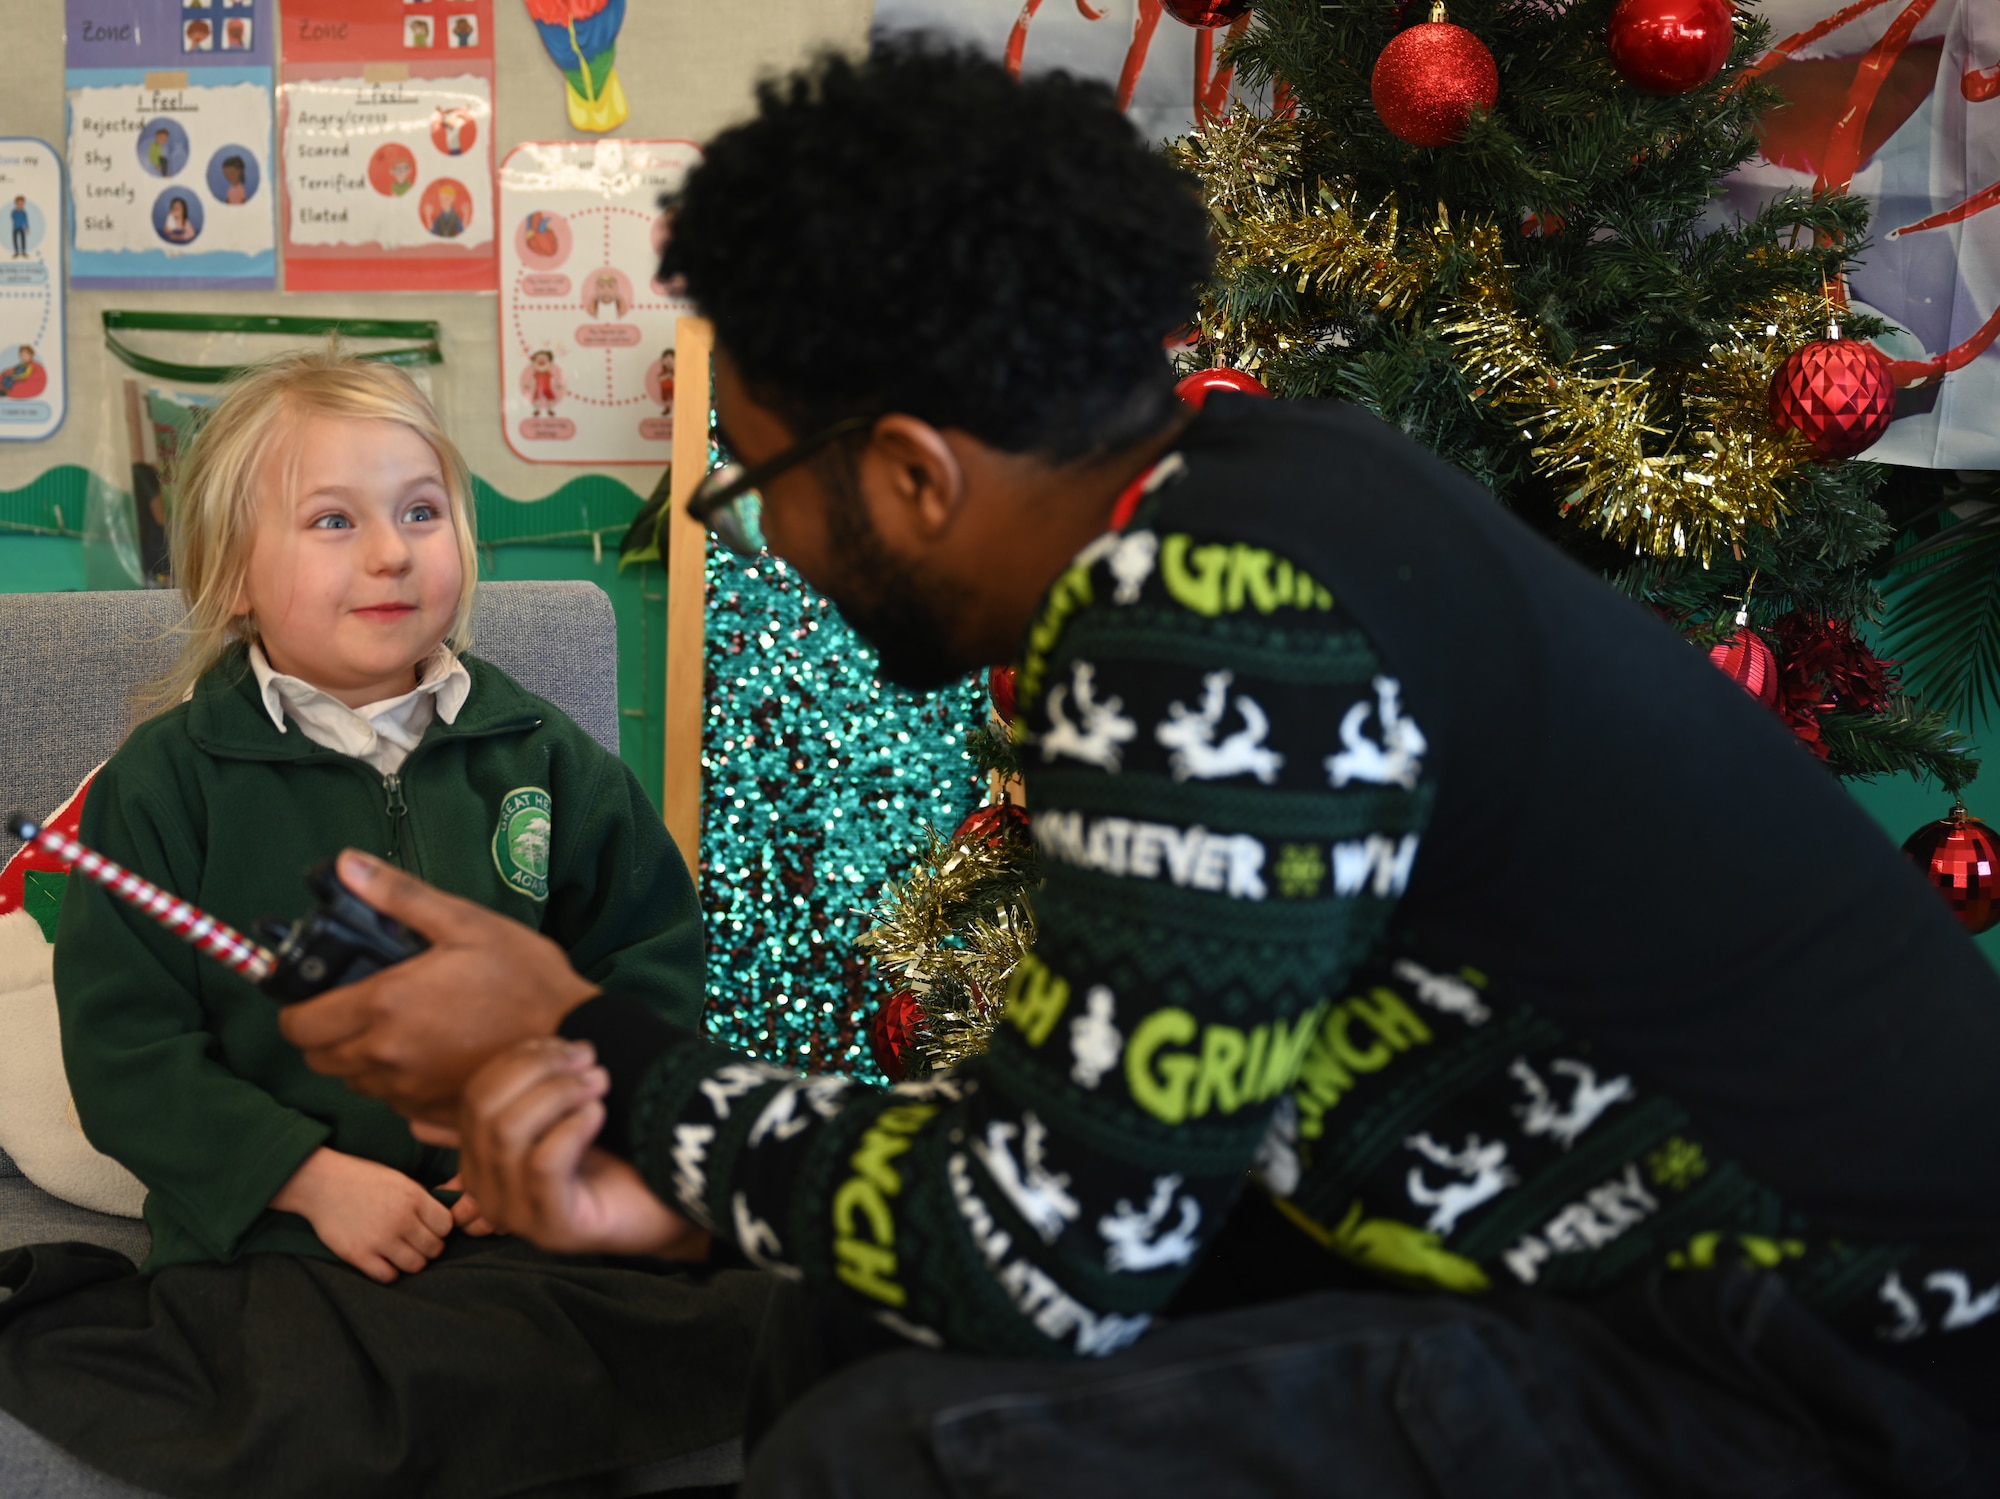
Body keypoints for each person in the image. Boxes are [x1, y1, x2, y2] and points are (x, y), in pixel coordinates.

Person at [282, 45, 2000, 1496]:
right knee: (850, 1320)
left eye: (749, 481)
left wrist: (590, 1046)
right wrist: (671, 1141)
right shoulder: (1240, 500)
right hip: (1631, 1280)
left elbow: (1038, 1258)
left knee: (898, 1441)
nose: (765, 539)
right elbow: (1094, 1147)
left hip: (1837, 1370)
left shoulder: (1211, 616)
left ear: (909, 472)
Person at [0, 348, 772, 1499]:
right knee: (327, 1403)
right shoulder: (164, 786)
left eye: (420, 510)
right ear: (233, 579)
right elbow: (126, 1054)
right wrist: (307, 1176)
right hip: (288, 1242)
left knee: (768, 1313)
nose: (391, 549)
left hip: (525, 1213)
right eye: (331, 519)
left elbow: (646, 965)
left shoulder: (549, 757)